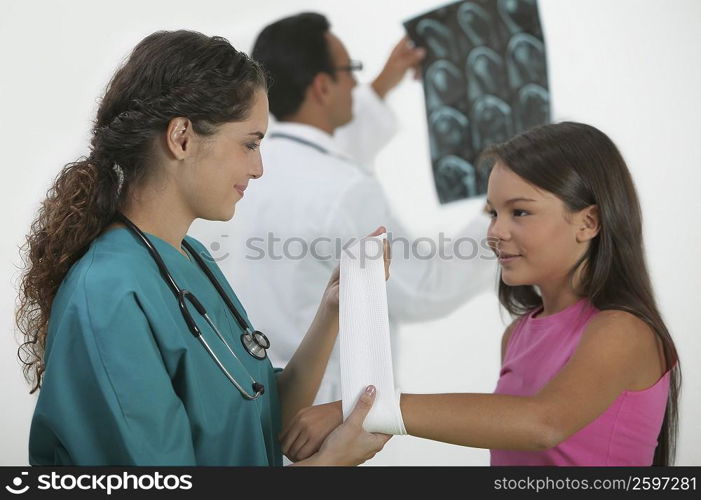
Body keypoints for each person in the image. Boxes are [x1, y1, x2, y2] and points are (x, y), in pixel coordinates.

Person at [15, 30, 391, 466]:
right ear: (182, 138)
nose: (258, 168)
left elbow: (261, 416)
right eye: (249, 143)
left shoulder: (191, 258)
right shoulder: (108, 295)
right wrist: (328, 466)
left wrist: (332, 311)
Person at [281, 122, 680, 466]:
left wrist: (365, 410)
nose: (495, 232)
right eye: (492, 213)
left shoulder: (622, 331)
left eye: (519, 212)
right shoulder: (518, 334)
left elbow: (544, 423)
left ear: (588, 222)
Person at [200, 12, 495, 406]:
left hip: (243, 394)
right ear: (322, 86)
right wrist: (500, 216)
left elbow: (322, 172)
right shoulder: (346, 189)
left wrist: (382, 87)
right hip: (324, 412)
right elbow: (423, 286)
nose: (357, 82)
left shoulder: (238, 165)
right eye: (350, 70)